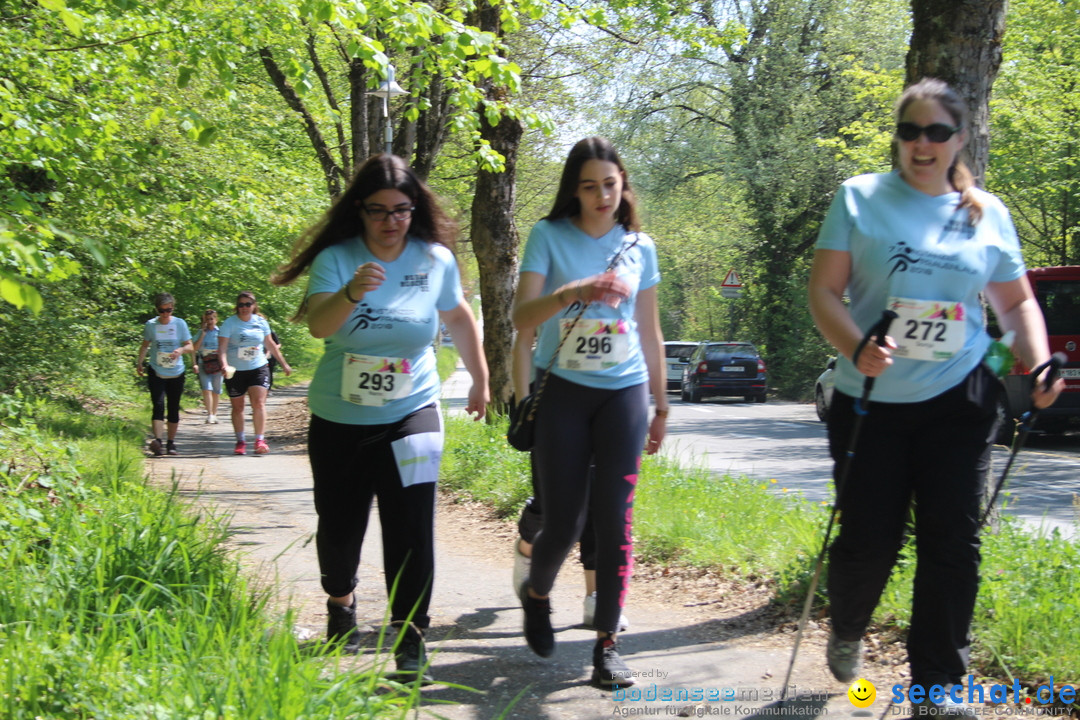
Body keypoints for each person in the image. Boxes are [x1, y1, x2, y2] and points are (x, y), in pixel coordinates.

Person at [807, 78, 1063, 714]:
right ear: (898, 137)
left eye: (937, 132)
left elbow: (1015, 300)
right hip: (871, 398)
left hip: (963, 397)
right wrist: (855, 343)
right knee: (870, 540)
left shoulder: (987, 211)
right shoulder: (860, 198)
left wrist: (1036, 361)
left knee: (953, 540)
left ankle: (937, 689)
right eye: (910, 131)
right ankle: (846, 624)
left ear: (959, 139)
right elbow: (822, 293)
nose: (922, 144)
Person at [271, 153, 489, 682]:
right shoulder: (338, 259)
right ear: (360, 211)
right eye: (378, 211)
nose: (391, 221)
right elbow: (320, 328)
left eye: (402, 210)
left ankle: (411, 641)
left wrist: (481, 378)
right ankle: (340, 603)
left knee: (411, 525)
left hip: (412, 410)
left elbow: (458, 315)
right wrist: (351, 292)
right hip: (339, 416)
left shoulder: (434, 259)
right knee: (341, 526)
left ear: (414, 210)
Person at [511, 136, 668, 688]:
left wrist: (662, 404)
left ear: (623, 184)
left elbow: (649, 329)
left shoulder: (639, 245)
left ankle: (607, 646)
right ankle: (537, 594)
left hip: (623, 392)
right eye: (589, 186)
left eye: (610, 183)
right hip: (565, 393)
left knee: (616, 518)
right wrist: (573, 291)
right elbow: (520, 315)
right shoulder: (548, 236)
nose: (602, 195)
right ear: (572, 192)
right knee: (566, 520)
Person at [510, 329, 630, 633]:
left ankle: (595, 596)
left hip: (608, 392)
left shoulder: (625, 283)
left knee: (599, 505)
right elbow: (525, 325)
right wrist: (524, 398)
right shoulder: (556, 284)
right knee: (552, 506)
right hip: (555, 393)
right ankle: (527, 550)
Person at [218, 292, 293, 455]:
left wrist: (284, 364)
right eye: (241, 305)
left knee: (258, 403)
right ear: (237, 307)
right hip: (235, 370)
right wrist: (223, 365)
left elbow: (271, 345)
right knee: (238, 408)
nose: (244, 308)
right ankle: (240, 441)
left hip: (258, 367)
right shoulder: (229, 324)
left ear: (254, 305)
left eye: (248, 304)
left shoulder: (261, 322)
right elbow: (222, 348)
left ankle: (260, 440)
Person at [136, 293, 194, 456]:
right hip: (156, 369)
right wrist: (139, 362)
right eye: (162, 311)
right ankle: (158, 441)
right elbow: (145, 345)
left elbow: (190, 346)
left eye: (168, 310)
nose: (165, 314)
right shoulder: (151, 325)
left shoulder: (180, 324)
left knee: (173, 407)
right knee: (158, 404)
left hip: (176, 371)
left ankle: (171, 443)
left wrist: (181, 350)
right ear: (157, 310)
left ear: (172, 309)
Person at [192, 308, 223, 424]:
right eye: (207, 319)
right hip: (204, 363)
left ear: (216, 319)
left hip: (217, 363)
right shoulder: (200, 333)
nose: (210, 321)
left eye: (211, 319)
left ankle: (214, 413)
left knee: (216, 389)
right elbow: (193, 349)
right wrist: (203, 334)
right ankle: (209, 413)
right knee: (206, 388)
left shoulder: (220, 332)